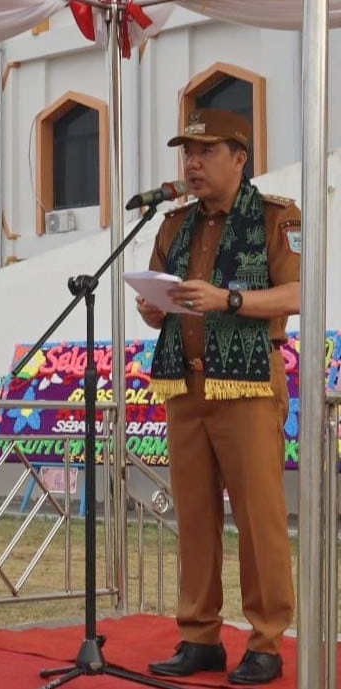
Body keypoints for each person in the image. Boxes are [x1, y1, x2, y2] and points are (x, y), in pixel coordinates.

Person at [140, 109, 300, 686]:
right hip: (185, 384)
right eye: (188, 152)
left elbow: (297, 292)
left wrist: (229, 300)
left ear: (239, 157)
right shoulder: (173, 224)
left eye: (206, 152)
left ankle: (265, 641)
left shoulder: (279, 218)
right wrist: (153, 307)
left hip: (248, 387)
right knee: (196, 516)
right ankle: (200, 636)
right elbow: (160, 289)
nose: (193, 163)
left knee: (259, 519)